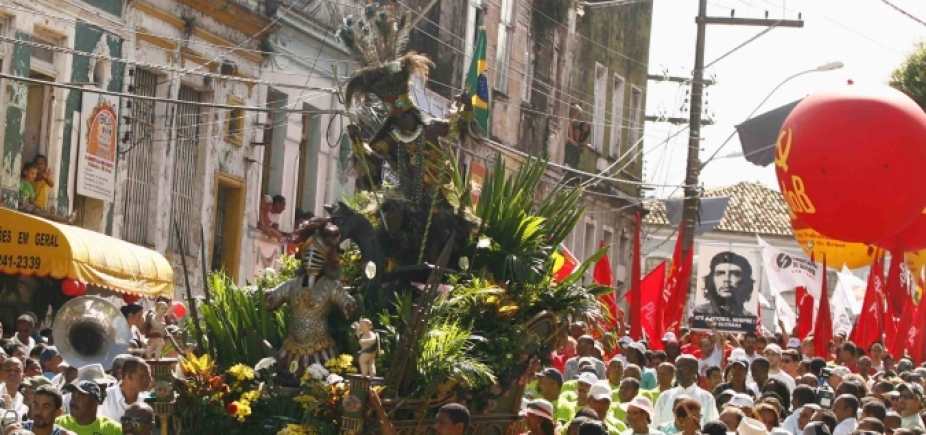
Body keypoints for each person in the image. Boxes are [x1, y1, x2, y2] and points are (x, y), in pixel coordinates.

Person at [653, 356, 718, 427]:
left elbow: (711, 427)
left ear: (694, 371)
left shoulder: (707, 397)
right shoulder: (665, 396)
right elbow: (655, 425)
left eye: (681, 367)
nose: (677, 371)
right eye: (676, 367)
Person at [694, 251, 757, 319]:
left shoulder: (750, 319)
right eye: (720, 273)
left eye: (734, 274)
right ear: (711, 279)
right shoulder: (699, 313)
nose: (726, 279)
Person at [56, 381, 122, 435]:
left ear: (94, 404)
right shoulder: (58, 424)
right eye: (73, 396)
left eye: (80, 398)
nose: (73, 401)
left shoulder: (114, 430)